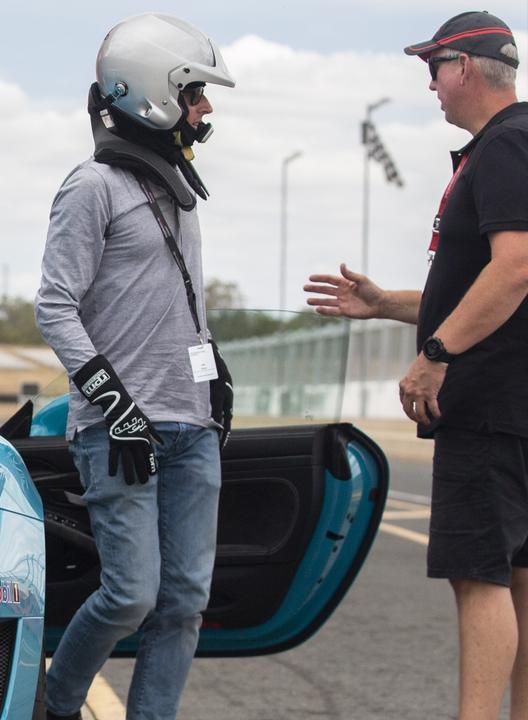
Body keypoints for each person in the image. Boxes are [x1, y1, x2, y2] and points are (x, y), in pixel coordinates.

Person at [305, 11, 528, 719]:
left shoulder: (506, 146)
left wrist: (435, 354)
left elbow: (516, 268)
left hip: (490, 406)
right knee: (520, 579)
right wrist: (389, 304)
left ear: (463, 67)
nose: (430, 86)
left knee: (480, 577)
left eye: (433, 69)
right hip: (518, 404)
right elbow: (483, 285)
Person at [35, 13, 235, 720]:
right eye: (196, 93)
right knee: (132, 595)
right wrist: (113, 403)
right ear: (153, 91)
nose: (206, 109)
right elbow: (54, 306)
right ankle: (59, 700)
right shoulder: (91, 187)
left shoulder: (178, 191)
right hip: (119, 431)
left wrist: (216, 375)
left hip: (191, 427)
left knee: (184, 603)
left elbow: (170, 304)